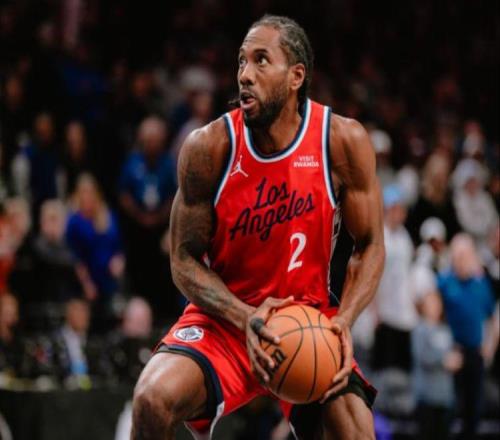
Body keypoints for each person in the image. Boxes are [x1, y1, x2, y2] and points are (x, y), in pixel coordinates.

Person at [132, 15, 385, 440]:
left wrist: (345, 319)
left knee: (356, 432)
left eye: (261, 60)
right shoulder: (209, 148)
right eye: (241, 61)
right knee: (150, 400)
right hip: (227, 320)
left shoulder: (341, 140)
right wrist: (243, 315)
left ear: (295, 77)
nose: (245, 75)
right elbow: (182, 260)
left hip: (309, 319)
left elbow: (371, 245)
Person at [438, 233, 496, 438]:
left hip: (475, 353)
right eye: (458, 255)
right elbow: (434, 314)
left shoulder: (480, 283)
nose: (461, 260)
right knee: (451, 409)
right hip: (453, 351)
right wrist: (442, 348)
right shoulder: (444, 281)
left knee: (474, 411)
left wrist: (489, 347)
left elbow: (492, 317)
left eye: (465, 255)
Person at [412, 290, 462, 440]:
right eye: (430, 303)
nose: (434, 306)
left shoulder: (445, 330)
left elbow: (452, 354)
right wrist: (443, 360)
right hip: (426, 396)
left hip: (445, 397)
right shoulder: (419, 330)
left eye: (436, 303)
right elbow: (422, 356)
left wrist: (456, 360)